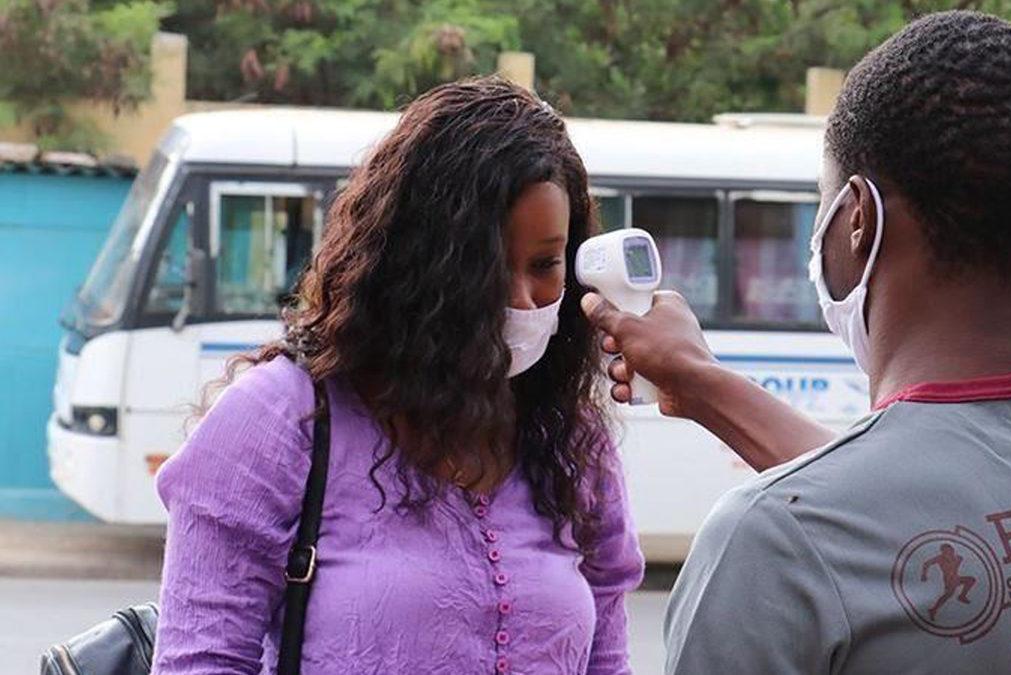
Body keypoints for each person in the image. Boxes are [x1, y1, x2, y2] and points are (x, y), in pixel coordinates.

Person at [582, 11, 1011, 673]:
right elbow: (903, 512)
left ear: (858, 217)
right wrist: (704, 384)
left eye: (822, 209)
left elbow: (867, 521)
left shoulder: (768, 547)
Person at [153, 77, 644, 674]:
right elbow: (200, 662)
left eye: (545, 265)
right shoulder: (282, 418)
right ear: (416, 268)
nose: (520, 299)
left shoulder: (571, 440)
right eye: (486, 269)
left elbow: (606, 661)